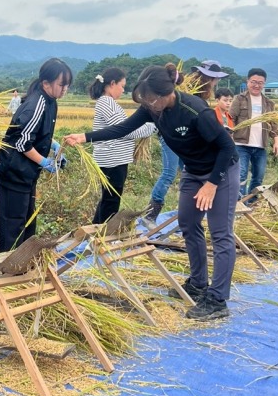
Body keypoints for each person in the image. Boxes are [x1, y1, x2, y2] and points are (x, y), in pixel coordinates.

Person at [65, 62, 239, 322]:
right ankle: (198, 282)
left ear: (168, 92)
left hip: (220, 173)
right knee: (188, 223)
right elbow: (123, 128)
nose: (148, 103)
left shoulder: (194, 110)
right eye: (144, 99)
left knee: (220, 232)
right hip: (193, 171)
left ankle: (217, 299)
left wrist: (212, 184)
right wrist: (86, 137)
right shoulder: (152, 109)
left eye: (152, 98)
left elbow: (227, 148)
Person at [0, 58, 73, 252]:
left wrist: (53, 145)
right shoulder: (36, 104)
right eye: (61, 85)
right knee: (14, 222)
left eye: (67, 85)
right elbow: (22, 142)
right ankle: (10, 268)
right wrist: (45, 162)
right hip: (14, 171)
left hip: (27, 173)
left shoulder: (50, 101)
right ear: (46, 83)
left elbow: (39, 132)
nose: (65, 89)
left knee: (28, 219)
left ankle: (24, 261)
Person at [142, 60, 228, 226]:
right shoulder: (191, 94)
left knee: (187, 170)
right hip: (174, 136)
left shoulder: (198, 90)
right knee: (169, 172)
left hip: (187, 140)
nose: (216, 82)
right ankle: (150, 214)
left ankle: (193, 207)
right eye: (215, 79)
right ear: (211, 78)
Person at [88, 68, 155, 224]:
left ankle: (96, 230)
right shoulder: (107, 102)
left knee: (108, 198)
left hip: (114, 158)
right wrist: (152, 127)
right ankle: (104, 234)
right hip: (112, 160)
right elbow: (125, 130)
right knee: (111, 200)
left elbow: (125, 127)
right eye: (122, 86)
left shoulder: (108, 102)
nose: (123, 90)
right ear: (112, 84)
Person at [230, 68, 278, 198]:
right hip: (241, 144)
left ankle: (252, 204)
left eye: (260, 82)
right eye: (253, 82)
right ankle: (240, 205)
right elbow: (230, 119)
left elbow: (274, 124)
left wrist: (276, 142)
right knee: (241, 176)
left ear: (264, 83)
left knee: (258, 177)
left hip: (260, 145)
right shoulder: (239, 99)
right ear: (247, 82)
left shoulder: (269, 103)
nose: (256, 85)